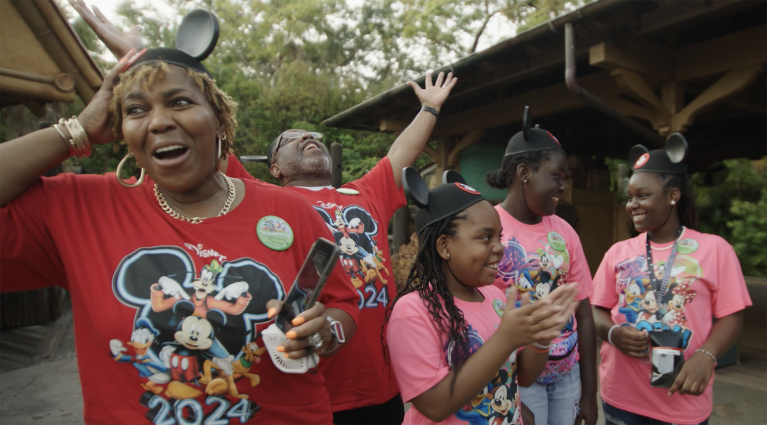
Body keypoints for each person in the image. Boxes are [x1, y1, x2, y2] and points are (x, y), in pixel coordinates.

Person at [68, 5, 457, 421]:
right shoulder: (261, 202)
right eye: (292, 138)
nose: (308, 138)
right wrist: (147, 60)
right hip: (309, 384)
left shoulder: (364, 194)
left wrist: (430, 108)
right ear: (274, 167)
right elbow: (199, 132)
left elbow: (401, 154)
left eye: (313, 135)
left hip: (379, 388)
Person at [0, 24, 360, 424]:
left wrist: (325, 331)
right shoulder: (75, 208)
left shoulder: (288, 211)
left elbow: (342, 304)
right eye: (136, 109)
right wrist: (76, 131)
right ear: (122, 130)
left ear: (220, 121)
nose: (157, 122)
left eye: (179, 101)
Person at [385, 168, 580, 424]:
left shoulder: (496, 297)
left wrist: (541, 339)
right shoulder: (413, 311)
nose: (499, 248)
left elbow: (523, 375)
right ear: (444, 246)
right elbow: (433, 405)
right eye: (485, 237)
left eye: (498, 237)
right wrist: (505, 339)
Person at [590, 134, 752, 425]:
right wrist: (612, 333)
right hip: (621, 398)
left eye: (643, 195)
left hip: (682, 401)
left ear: (673, 195)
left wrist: (706, 356)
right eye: (630, 197)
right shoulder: (618, 252)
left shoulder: (715, 249)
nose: (632, 204)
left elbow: (733, 316)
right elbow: (595, 308)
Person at [485, 107, 597, 425]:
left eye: (565, 179)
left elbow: (584, 314)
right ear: (524, 172)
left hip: (567, 376)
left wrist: (589, 394)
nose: (563, 187)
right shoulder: (491, 227)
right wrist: (508, 392)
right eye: (556, 177)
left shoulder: (565, 231)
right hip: (518, 376)